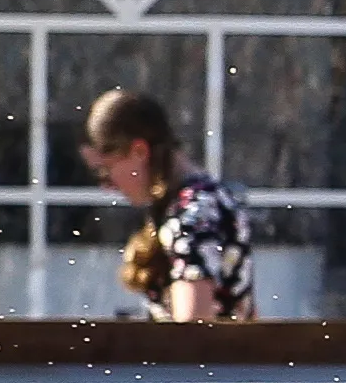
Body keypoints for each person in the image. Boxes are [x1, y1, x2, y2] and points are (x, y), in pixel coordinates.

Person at [82, 88, 251, 321]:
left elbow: (191, 329)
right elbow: (246, 310)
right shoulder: (208, 201)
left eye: (106, 171)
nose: (107, 186)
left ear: (139, 151)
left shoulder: (194, 213)